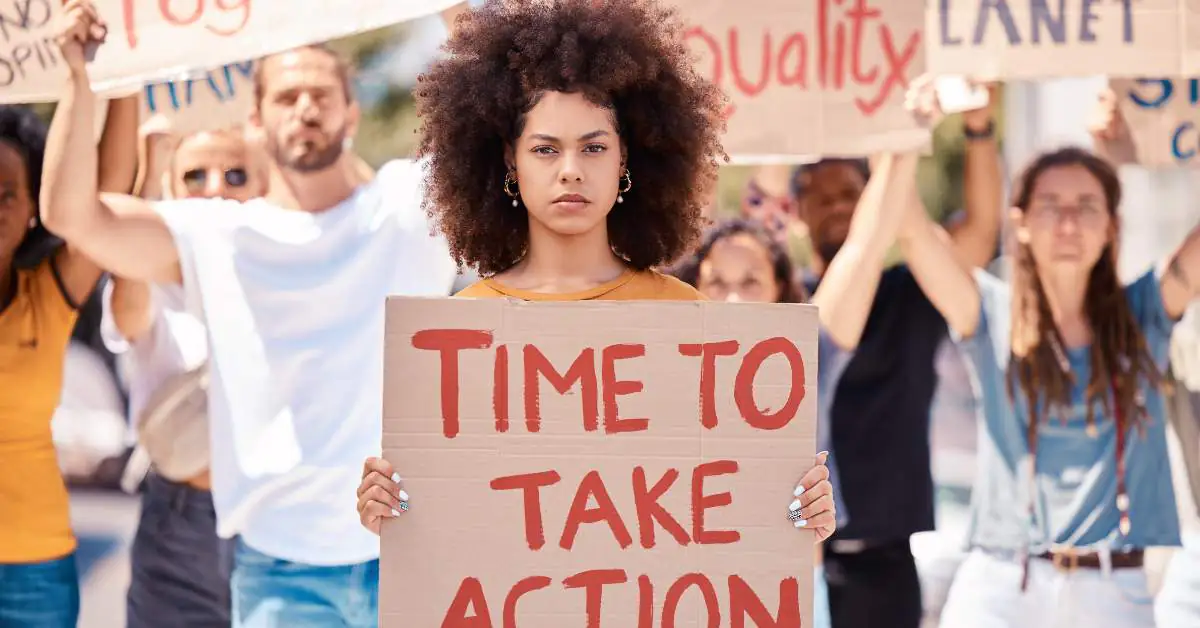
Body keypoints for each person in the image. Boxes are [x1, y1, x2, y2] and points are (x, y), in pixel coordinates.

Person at [356, 0, 838, 559]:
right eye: (544, 149)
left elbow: (729, 513)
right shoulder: (461, 331)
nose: (570, 170)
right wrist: (392, 506)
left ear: (626, 161)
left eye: (594, 147)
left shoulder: (688, 317)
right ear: (509, 164)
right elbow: (451, 524)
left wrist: (796, 509)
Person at [40, 2, 457, 625]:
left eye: (321, 93)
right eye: (287, 97)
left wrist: (455, 17)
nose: (306, 108)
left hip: (417, 553)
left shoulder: (408, 207)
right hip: (281, 570)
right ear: (256, 121)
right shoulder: (217, 235)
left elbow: (509, 128)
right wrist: (78, 79)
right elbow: (72, 217)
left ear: (352, 111)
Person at [899, 143, 1194, 626]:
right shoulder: (992, 314)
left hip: (1112, 589)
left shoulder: (1142, 315)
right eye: (1050, 206)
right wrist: (894, 135)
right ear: (1021, 223)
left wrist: (1150, 145)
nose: (1068, 224)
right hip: (1002, 583)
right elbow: (912, 236)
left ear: (1112, 226)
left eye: (1087, 207)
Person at [796, 77, 1003, 628]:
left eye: (851, 193)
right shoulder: (781, 305)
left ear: (875, 201)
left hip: (883, 558)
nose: (838, 206)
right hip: (790, 554)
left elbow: (979, 237)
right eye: (822, 196)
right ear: (798, 211)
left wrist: (977, 129)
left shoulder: (909, 295)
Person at [106, 121, 268, 627]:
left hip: (277, 521)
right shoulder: (149, 283)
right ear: (172, 190)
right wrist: (147, 182)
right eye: (194, 176)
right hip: (181, 524)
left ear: (264, 186)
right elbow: (129, 315)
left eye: (235, 174)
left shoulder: (295, 279)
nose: (215, 188)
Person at [0, 91, 137, 624]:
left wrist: (123, 78)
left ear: (35, 207)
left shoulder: (48, 296)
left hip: (37, 571)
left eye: (6, 193)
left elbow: (107, 193)